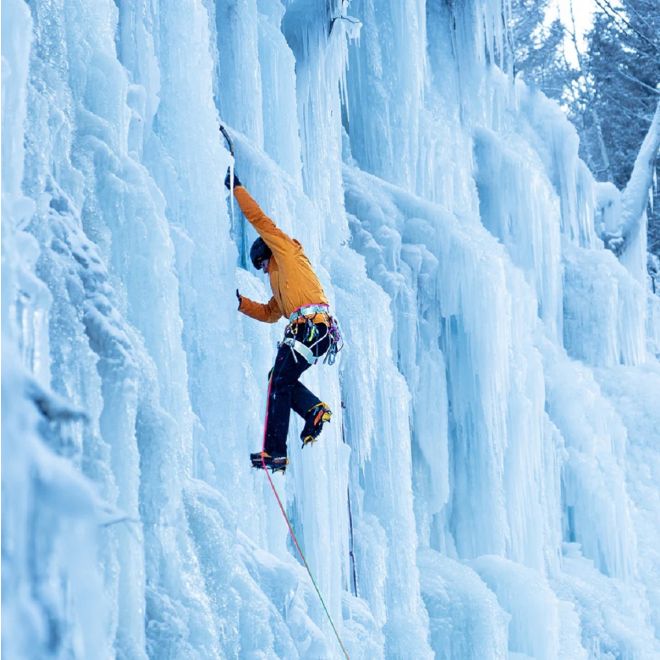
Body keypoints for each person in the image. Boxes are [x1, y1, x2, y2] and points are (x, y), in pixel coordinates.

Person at [226, 171, 337, 473]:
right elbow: (269, 312)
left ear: (266, 253)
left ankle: (276, 452)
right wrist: (239, 304)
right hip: (313, 331)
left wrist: (237, 190)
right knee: (278, 379)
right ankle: (313, 410)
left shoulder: (285, 252)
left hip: (311, 327)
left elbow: (260, 221)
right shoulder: (280, 286)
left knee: (279, 381)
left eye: (261, 264)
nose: (262, 271)